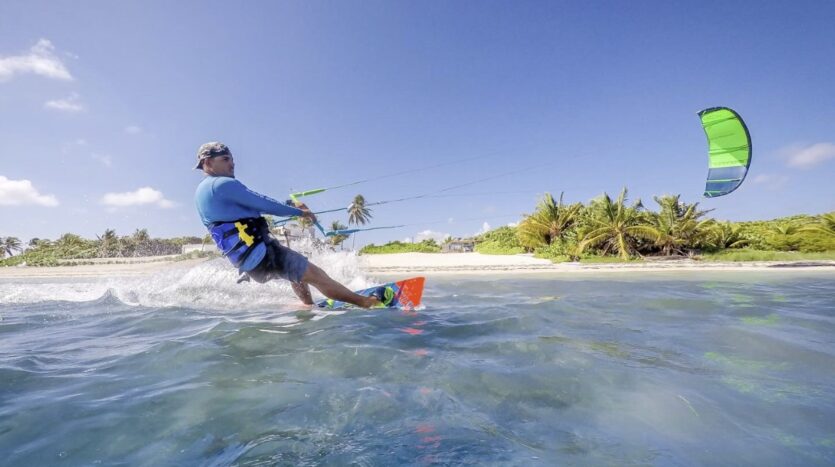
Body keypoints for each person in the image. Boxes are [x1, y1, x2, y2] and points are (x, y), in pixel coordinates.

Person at [193, 141, 386, 308]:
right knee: (317, 275)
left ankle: (307, 305)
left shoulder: (202, 194)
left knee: (298, 271)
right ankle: (366, 303)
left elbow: (249, 210)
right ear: (208, 162)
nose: (232, 163)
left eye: (232, 159)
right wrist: (300, 212)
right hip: (263, 254)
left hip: (249, 264)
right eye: (226, 159)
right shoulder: (222, 184)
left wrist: (289, 205)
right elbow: (263, 203)